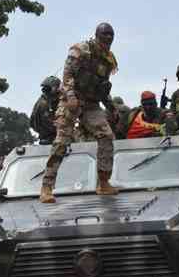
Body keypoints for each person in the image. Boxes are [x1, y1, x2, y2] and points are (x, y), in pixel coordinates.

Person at [40, 22, 120, 203]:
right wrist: (70, 96)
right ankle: (46, 187)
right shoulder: (82, 49)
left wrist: (111, 107)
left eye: (111, 35)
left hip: (91, 103)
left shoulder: (108, 59)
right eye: (105, 34)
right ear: (97, 34)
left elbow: (102, 88)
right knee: (62, 141)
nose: (108, 37)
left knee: (106, 135)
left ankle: (103, 183)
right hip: (71, 100)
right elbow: (67, 74)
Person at [30, 76, 61, 145]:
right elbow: (48, 122)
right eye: (57, 87)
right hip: (50, 137)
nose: (58, 89)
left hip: (48, 135)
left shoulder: (48, 99)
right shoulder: (43, 103)